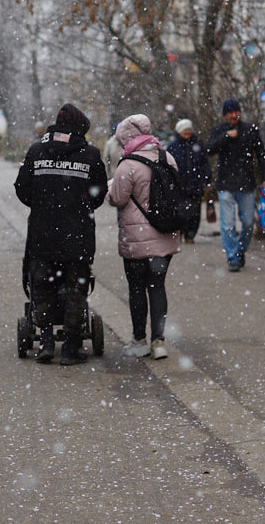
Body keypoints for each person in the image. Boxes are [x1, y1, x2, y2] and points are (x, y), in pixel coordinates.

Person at [15, 104, 108, 364]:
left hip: (42, 234)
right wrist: (78, 207)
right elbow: (99, 193)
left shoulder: (36, 151)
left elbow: (22, 189)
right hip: (77, 236)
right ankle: (71, 346)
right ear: (80, 129)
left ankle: (45, 341)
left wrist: (43, 205)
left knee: (42, 286)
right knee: (76, 289)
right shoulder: (90, 155)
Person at [107, 114, 180, 360]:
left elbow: (117, 198)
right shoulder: (167, 157)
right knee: (157, 287)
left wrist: (109, 187)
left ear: (127, 139)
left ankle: (139, 340)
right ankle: (159, 342)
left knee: (137, 288)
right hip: (164, 234)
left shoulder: (127, 164)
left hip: (136, 239)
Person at [205, 98, 265, 272]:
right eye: (230, 112)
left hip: (246, 183)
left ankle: (240, 250)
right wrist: (226, 136)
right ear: (225, 114)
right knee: (228, 224)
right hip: (225, 184)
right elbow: (209, 149)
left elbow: (261, 154)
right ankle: (232, 257)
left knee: (249, 222)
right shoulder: (218, 130)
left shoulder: (250, 130)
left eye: (236, 112)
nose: (234, 115)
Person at [166, 118, 211, 243]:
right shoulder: (173, 147)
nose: (187, 132)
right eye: (185, 130)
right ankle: (180, 232)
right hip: (179, 185)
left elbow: (204, 163)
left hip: (195, 184)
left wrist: (207, 179)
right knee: (180, 212)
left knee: (195, 212)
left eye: (189, 130)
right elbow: (168, 165)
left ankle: (190, 235)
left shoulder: (197, 144)